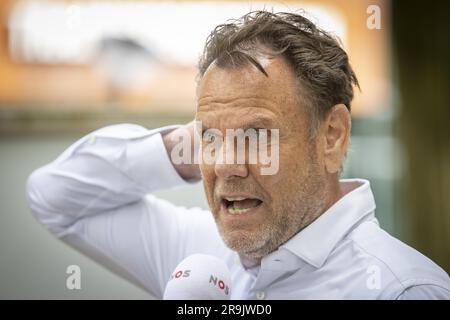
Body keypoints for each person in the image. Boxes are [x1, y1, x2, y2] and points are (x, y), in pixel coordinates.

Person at [26, 11, 450, 299]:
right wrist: (186, 145)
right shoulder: (199, 248)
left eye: (256, 136)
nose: (228, 164)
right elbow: (54, 197)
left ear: (332, 136)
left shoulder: (405, 290)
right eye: (212, 138)